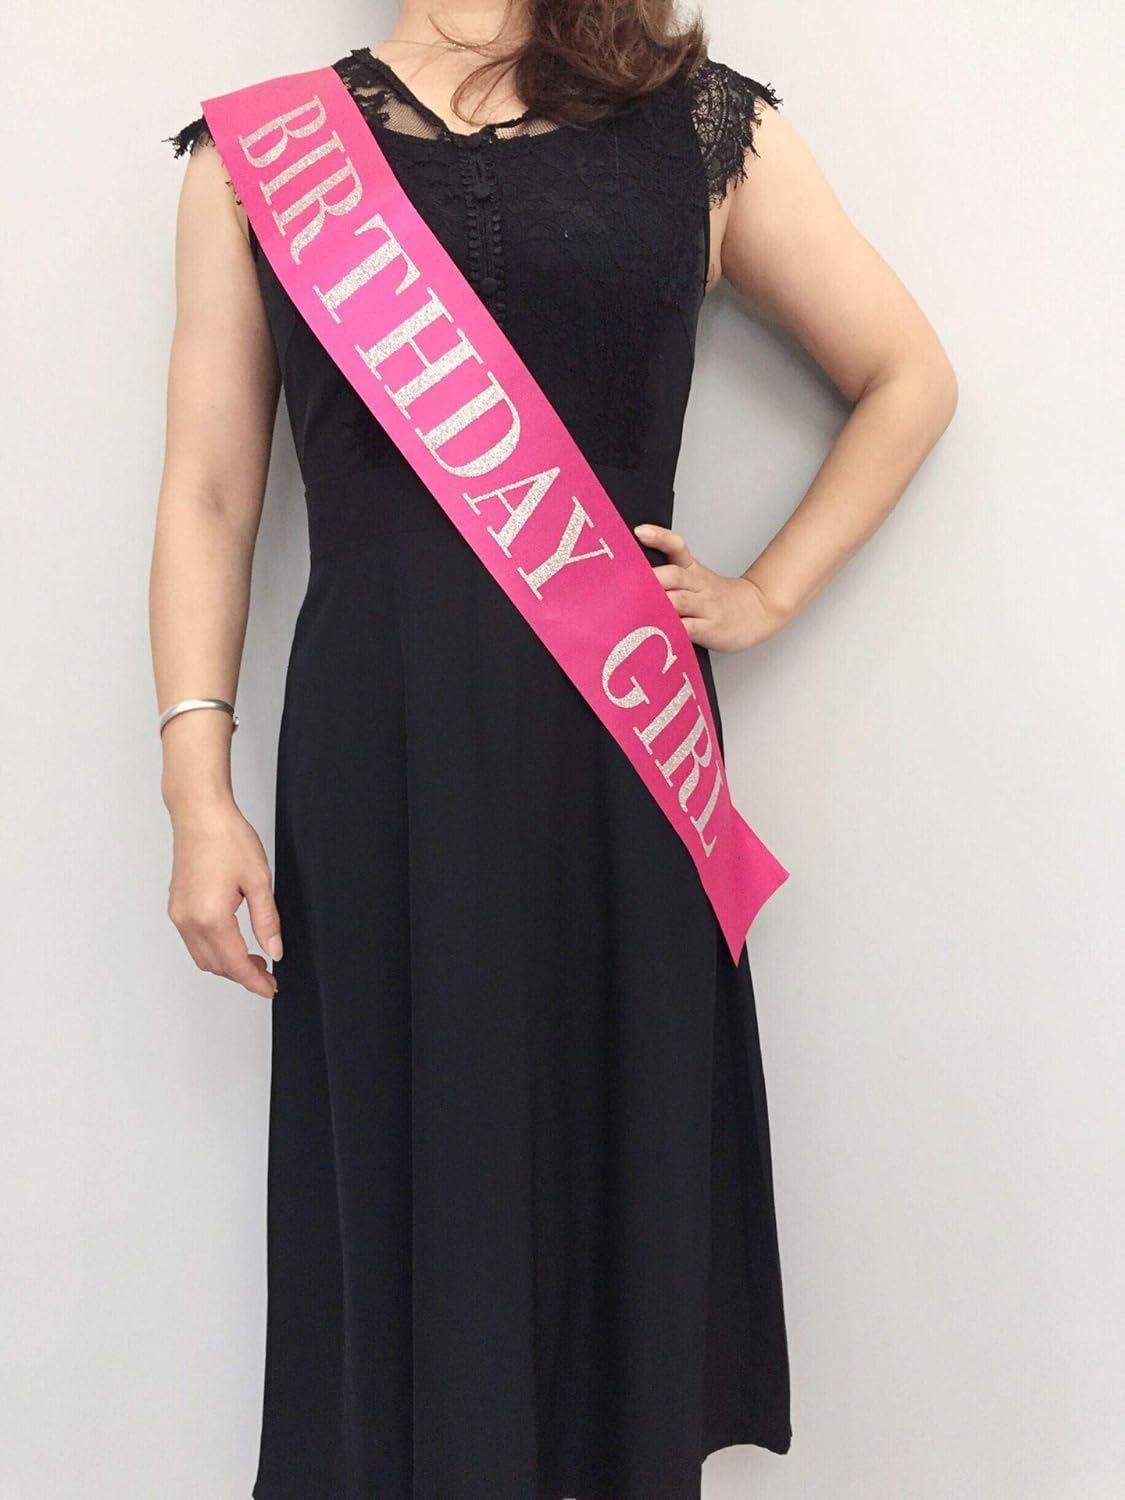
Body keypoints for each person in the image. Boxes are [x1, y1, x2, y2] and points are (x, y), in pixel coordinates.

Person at [153, 2, 957, 1495]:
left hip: (620, 758)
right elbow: (209, 489)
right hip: (379, 757)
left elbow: (908, 376)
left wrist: (766, 592)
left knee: (615, 1160)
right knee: (408, 1164)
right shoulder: (259, 155)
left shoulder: (698, 123)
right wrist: (195, 789)